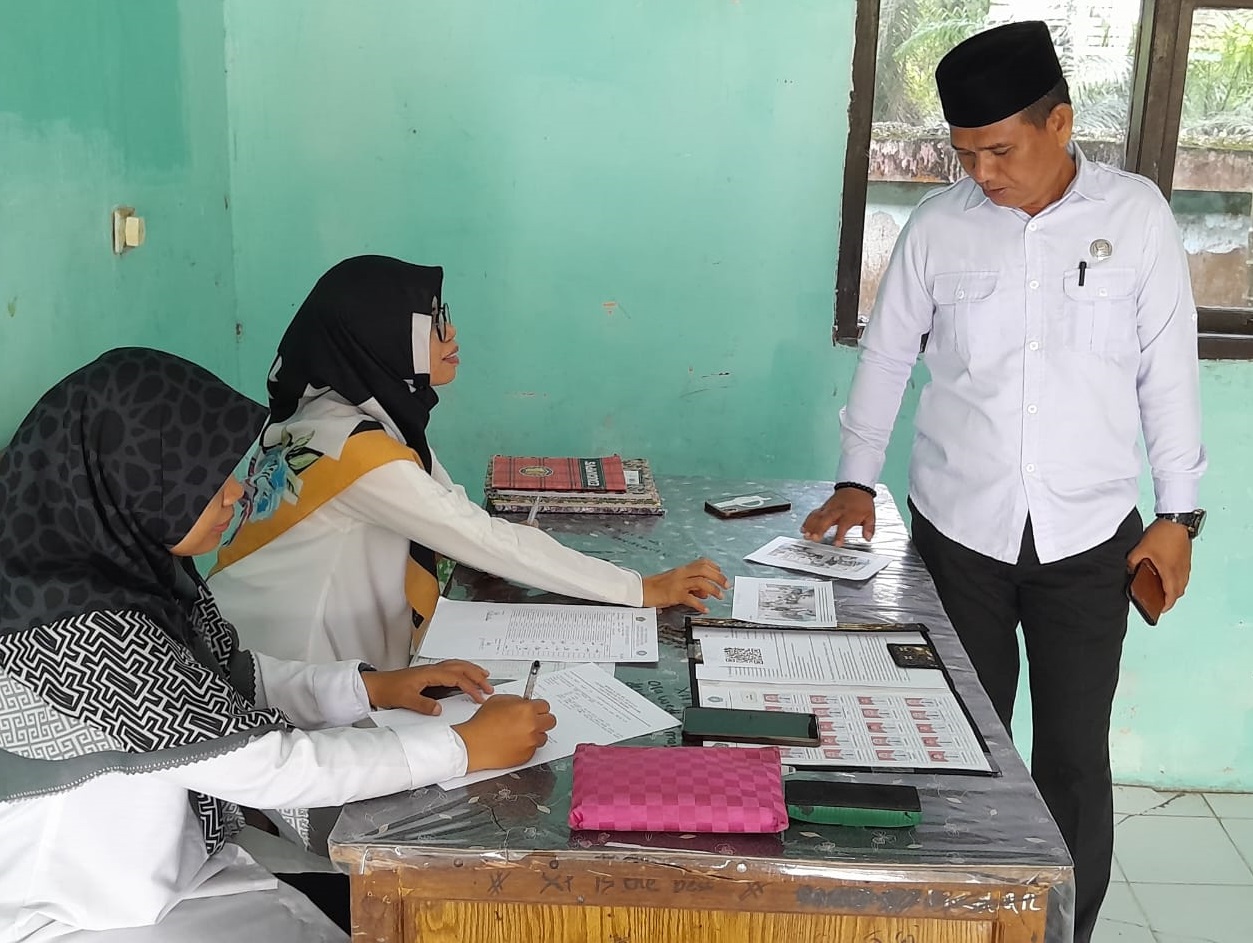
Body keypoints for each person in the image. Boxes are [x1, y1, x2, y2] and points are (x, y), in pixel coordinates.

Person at [802, 21, 1205, 943]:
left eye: (998, 151)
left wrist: (1179, 513)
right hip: (958, 536)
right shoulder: (938, 228)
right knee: (953, 747)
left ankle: (1062, 932)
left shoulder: (1134, 216)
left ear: (1058, 123)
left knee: (1071, 759)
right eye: (964, 154)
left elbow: (1167, 371)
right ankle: (957, 924)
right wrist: (856, 480)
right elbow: (887, 357)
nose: (980, 173)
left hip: (1089, 538)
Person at [0, 348, 555, 942]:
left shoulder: (121, 572)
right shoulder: (80, 635)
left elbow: (231, 677)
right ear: (130, 482)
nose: (236, 492)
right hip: (84, 911)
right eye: (206, 481)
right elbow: (269, 767)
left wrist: (368, 687)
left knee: (363, 903)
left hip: (165, 861)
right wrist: (464, 747)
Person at [209, 255, 728, 671]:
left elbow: (450, 508)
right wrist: (637, 589)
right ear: (379, 337)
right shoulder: (361, 455)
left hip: (254, 638)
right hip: (286, 668)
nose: (451, 334)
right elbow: (478, 537)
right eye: (433, 323)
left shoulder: (336, 416)